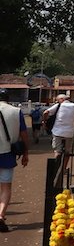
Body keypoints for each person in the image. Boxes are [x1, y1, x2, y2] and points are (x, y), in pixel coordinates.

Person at [0, 89, 30, 232]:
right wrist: (25, 153)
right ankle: (1, 215)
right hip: (7, 154)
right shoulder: (16, 112)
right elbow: (24, 135)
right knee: (6, 187)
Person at [44, 94, 74, 164]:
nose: (57, 102)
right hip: (69, 133)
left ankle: (56, 166)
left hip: (57, 132)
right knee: (67, 152)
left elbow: (46, 112)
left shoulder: (59, 105)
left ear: (62, 99)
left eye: (57, 100)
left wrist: (44, 121)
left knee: (57, 151)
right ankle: (64, 168)